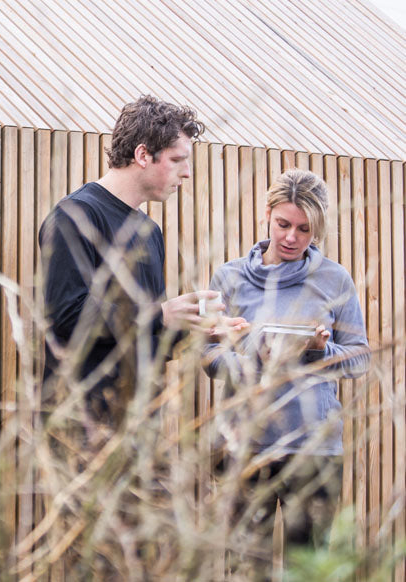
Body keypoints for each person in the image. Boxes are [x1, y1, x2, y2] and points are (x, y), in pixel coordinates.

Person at [202, 169, 369, 559]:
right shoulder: (229, 278)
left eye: (305, 229)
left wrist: (317, 351)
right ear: (267, 213)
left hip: (314, 453)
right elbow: (207, 354)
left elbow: (359, 357)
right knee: (245, 566)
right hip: (244, 449)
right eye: (283, 224)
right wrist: (247, 367)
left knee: (307, 566)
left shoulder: (334, 280)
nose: (292, 237)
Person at [40, 94, 235, 425]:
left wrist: (195, 332)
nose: (186, 173)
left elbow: (142, 334)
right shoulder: (75, 217)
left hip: (140, 429)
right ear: (143, 154)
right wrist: (160, 313)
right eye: (177, 160)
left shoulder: (149, 231)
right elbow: (68, 317)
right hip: (81, 429)